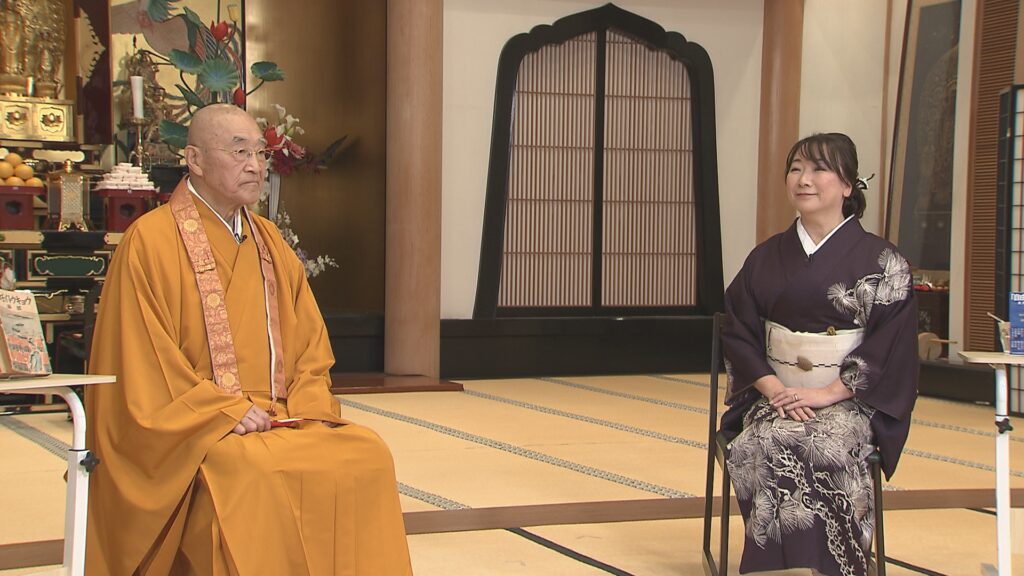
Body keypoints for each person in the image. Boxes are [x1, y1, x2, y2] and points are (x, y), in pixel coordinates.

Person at [85, 104, 413, 575]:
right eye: (239, 152)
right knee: (248, 472)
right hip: (199, 423)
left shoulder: (270, 241)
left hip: (283, 413)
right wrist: (222, 411)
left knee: (366, 454)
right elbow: (141, 363)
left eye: (260, 153)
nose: (256, 166)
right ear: (195, 160)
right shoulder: (148, 243)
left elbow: (310, 347)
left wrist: (308, 405)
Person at [720, 133, 918, 576]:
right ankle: (780, 568)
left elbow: (892, 345)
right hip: (776, 397)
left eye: (818, 169)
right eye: (796, 169)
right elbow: (737, 331)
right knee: (760, 441)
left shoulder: (885, 262)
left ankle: (833, 564)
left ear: (848, 185)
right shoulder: (764, 258)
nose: (804, 179)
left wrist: (829, 392)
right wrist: (774, 389)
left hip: (848, 401)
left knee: (822, 444)